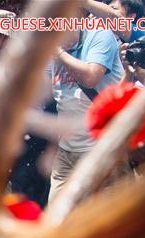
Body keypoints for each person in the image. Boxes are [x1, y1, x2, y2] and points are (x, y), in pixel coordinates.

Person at [47, 26, 123, 203]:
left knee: (101, 215)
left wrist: (58, 53)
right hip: (66, 152)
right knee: (56, 213)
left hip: (100, 150)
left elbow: (90, 78)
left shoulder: (100, 35)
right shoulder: (55, 50)